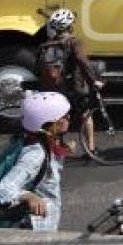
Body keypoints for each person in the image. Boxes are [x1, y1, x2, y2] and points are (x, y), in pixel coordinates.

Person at [0, 92, 72, 231]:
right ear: (49, 124)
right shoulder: (35, 154)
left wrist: (62, 150)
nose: (68, 118)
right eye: (64, 116)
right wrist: (28, 196)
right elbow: (0, 192)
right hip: (34, 231)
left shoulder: (33, 138)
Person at [36, 9, 103, 155]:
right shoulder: (73, 42)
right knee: (86, 114)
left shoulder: (45, 46)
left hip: (52, 89)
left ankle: (56, 147)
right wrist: (95, 81)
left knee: (57, 116)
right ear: (70, 26)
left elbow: (38, 69)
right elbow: (83, 62)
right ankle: (91, 149)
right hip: (72, 87)